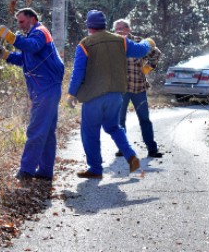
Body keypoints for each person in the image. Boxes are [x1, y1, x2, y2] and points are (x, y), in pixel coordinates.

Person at [66, 10, 154, 179]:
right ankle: (131, 156)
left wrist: (72, 94)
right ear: (105, 25)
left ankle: (95, 169)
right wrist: (148, 42)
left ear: (89, 27)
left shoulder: (85, 44)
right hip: (116, 94)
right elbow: (141, 50)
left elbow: (78, 72)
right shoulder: (121, 41)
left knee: (90, 131)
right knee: (113, 127)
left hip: (94, 96)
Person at [0, 8, 65, 182]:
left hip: (46, 89)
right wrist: (6, 56)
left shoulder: (40, 32)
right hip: (43, 88)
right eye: (18, 22)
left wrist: (11, 38)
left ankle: (26, 171)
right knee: (47, 132)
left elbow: (32, 47)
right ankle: (45, 172)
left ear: (32, 19)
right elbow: (25, 60)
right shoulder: (32, 36)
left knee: (36, 130)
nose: (19, 25)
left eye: (22, 21)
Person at [113, 18, 163, 158]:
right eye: (116, 29)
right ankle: (122, 148)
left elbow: (156, 54)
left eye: (122, 28)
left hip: (139, 87)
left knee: (144, 119)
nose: (119, 31)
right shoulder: (113, 44)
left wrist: (147, 68)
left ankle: (152, 149)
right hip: (120, 89)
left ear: (128, 29)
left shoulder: (139, 42)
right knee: (120, 120)